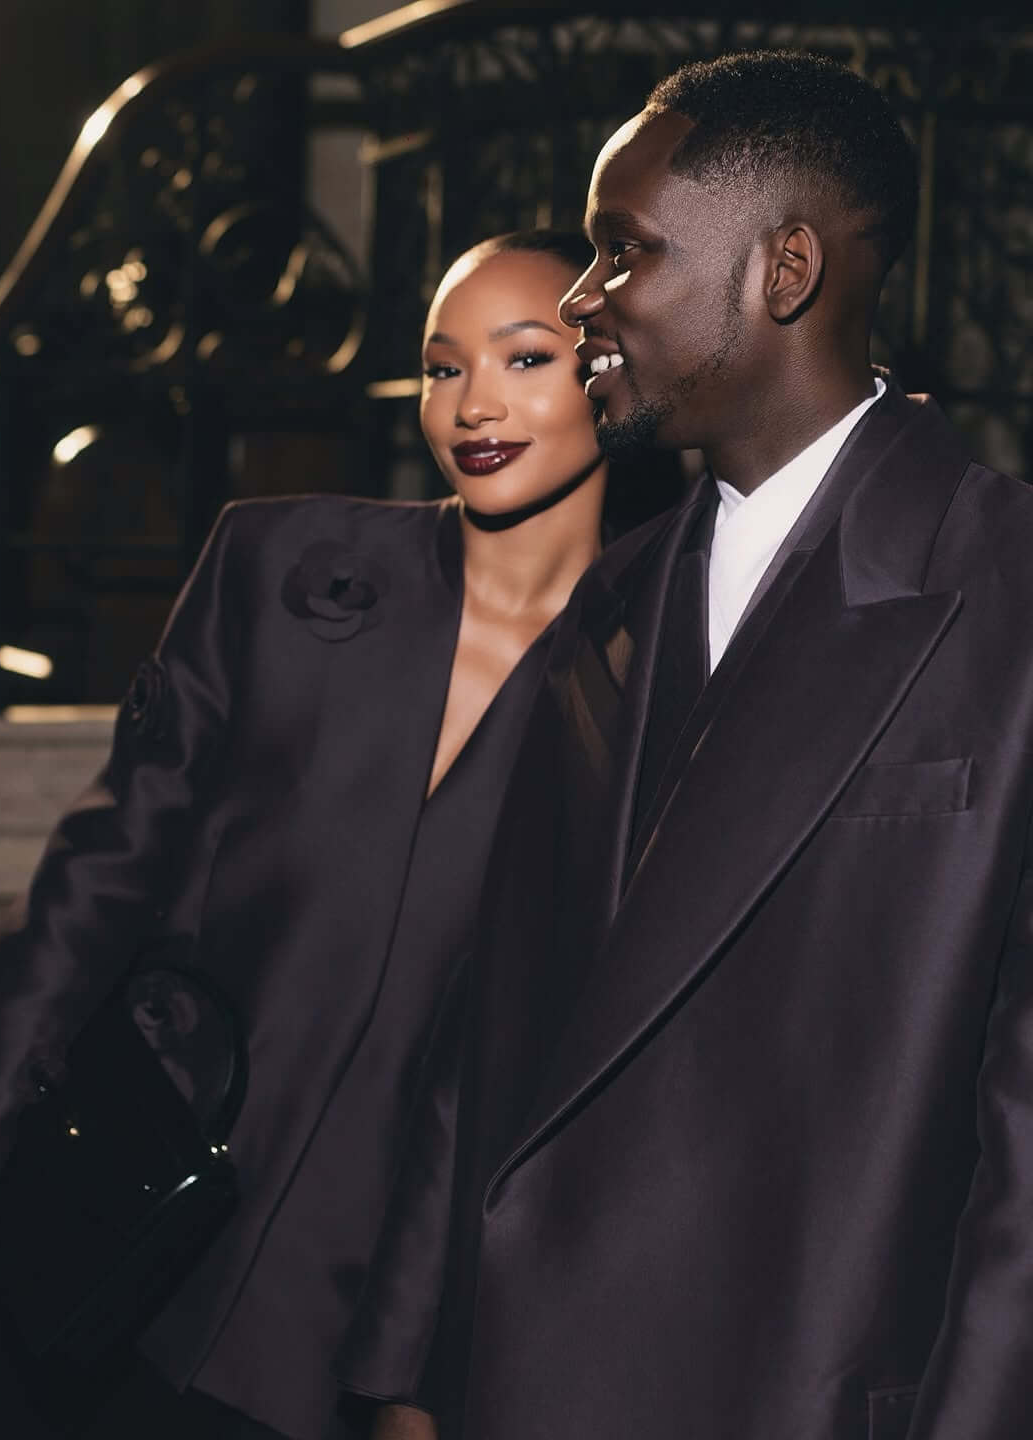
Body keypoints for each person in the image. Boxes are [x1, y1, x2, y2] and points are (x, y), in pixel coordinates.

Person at [340, 51, 1033, 1439]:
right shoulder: (616, 594)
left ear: (782, 273)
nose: (581, 300)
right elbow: (493, 1021)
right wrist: (412, 1374)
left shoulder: (1002, 583)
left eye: (621, 254)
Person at [0, 228, 609, 1440]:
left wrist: (426, 1380)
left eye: (525, 358)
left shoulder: (652, 677)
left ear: (611, 372)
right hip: (126, 1233)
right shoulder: (280, 566)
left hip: (380, 1324)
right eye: (440, 364)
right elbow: (91, 888)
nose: (474, 404)